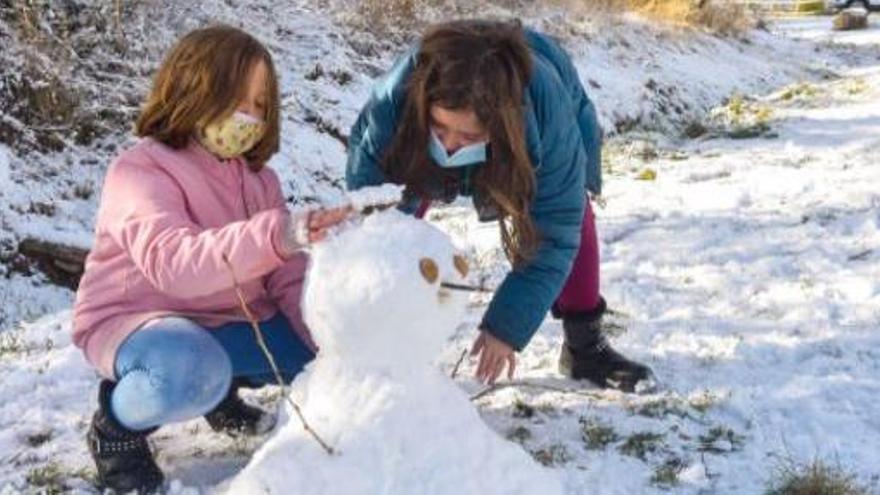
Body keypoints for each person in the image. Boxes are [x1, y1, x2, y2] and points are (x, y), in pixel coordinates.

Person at [71, 25, 349, 493]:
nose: (250, 115)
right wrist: (281, 233)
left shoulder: (260, 182)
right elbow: (173, 264)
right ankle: (117, 428)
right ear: (193, 88)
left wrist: (331, 342)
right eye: (237, 97)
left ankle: (220, 391)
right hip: (142, 323)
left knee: (320, 356)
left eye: (261, 104)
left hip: (226, 322)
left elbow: (286, 277)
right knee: (190, 371)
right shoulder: (140, 171)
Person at [347, 20, 653, 393]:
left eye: (469, 136)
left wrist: (506, 327)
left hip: (532, 140)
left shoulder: (547, 117)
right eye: (441, 129)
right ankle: (381, 343)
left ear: (501, 125)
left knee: (575, 216)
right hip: (414, 137)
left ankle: (585, 346)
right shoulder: (393, 106)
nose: (452, 146)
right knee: (392, 222)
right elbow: (373, 216)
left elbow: (556, 232)